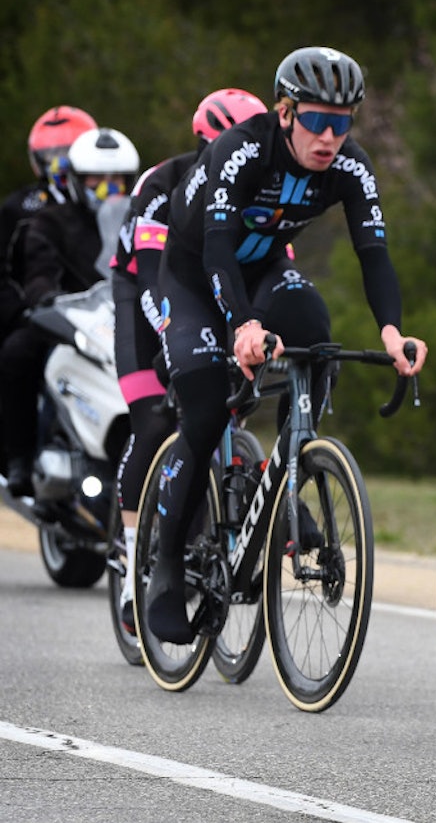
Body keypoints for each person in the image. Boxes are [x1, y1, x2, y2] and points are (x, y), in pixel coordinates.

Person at [147, 47, 427, 644]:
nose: (330, 137)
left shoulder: (350, 167)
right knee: (201, 410)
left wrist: (391, 331)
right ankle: (167, 567)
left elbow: (373, 254)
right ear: (284, 112)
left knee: (316, 337)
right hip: (197, 273)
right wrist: (243, 325)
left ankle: (288, 468)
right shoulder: (242, 150)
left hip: (266, 268)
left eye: (343, 122)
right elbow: (218, 249)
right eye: (317, 121)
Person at [110, 88, 268, 631]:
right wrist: (178, 348)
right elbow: (155, 280)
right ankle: (135, 562)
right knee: (154, 421)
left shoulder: (259, 186)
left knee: (223, 410)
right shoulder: (160, 184)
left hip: (216, 297)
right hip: (145, 296)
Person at [1, 126, 139, 496]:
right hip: (70, 318)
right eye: (98, 177)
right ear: (78, 179)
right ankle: (19, 459)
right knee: (17, 353)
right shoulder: (52, 219)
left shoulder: (139, 219)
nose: (108, 186)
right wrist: (46, 299)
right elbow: (39, 271)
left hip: (125, 312)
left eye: (117, 178)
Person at [1, 106, 99, 336]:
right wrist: (22, 314)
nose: (60, 164)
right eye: (50, 156)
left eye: (68, 154)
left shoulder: (105, 201)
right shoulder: (20, 208)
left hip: (99, 313)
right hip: (37, 316)